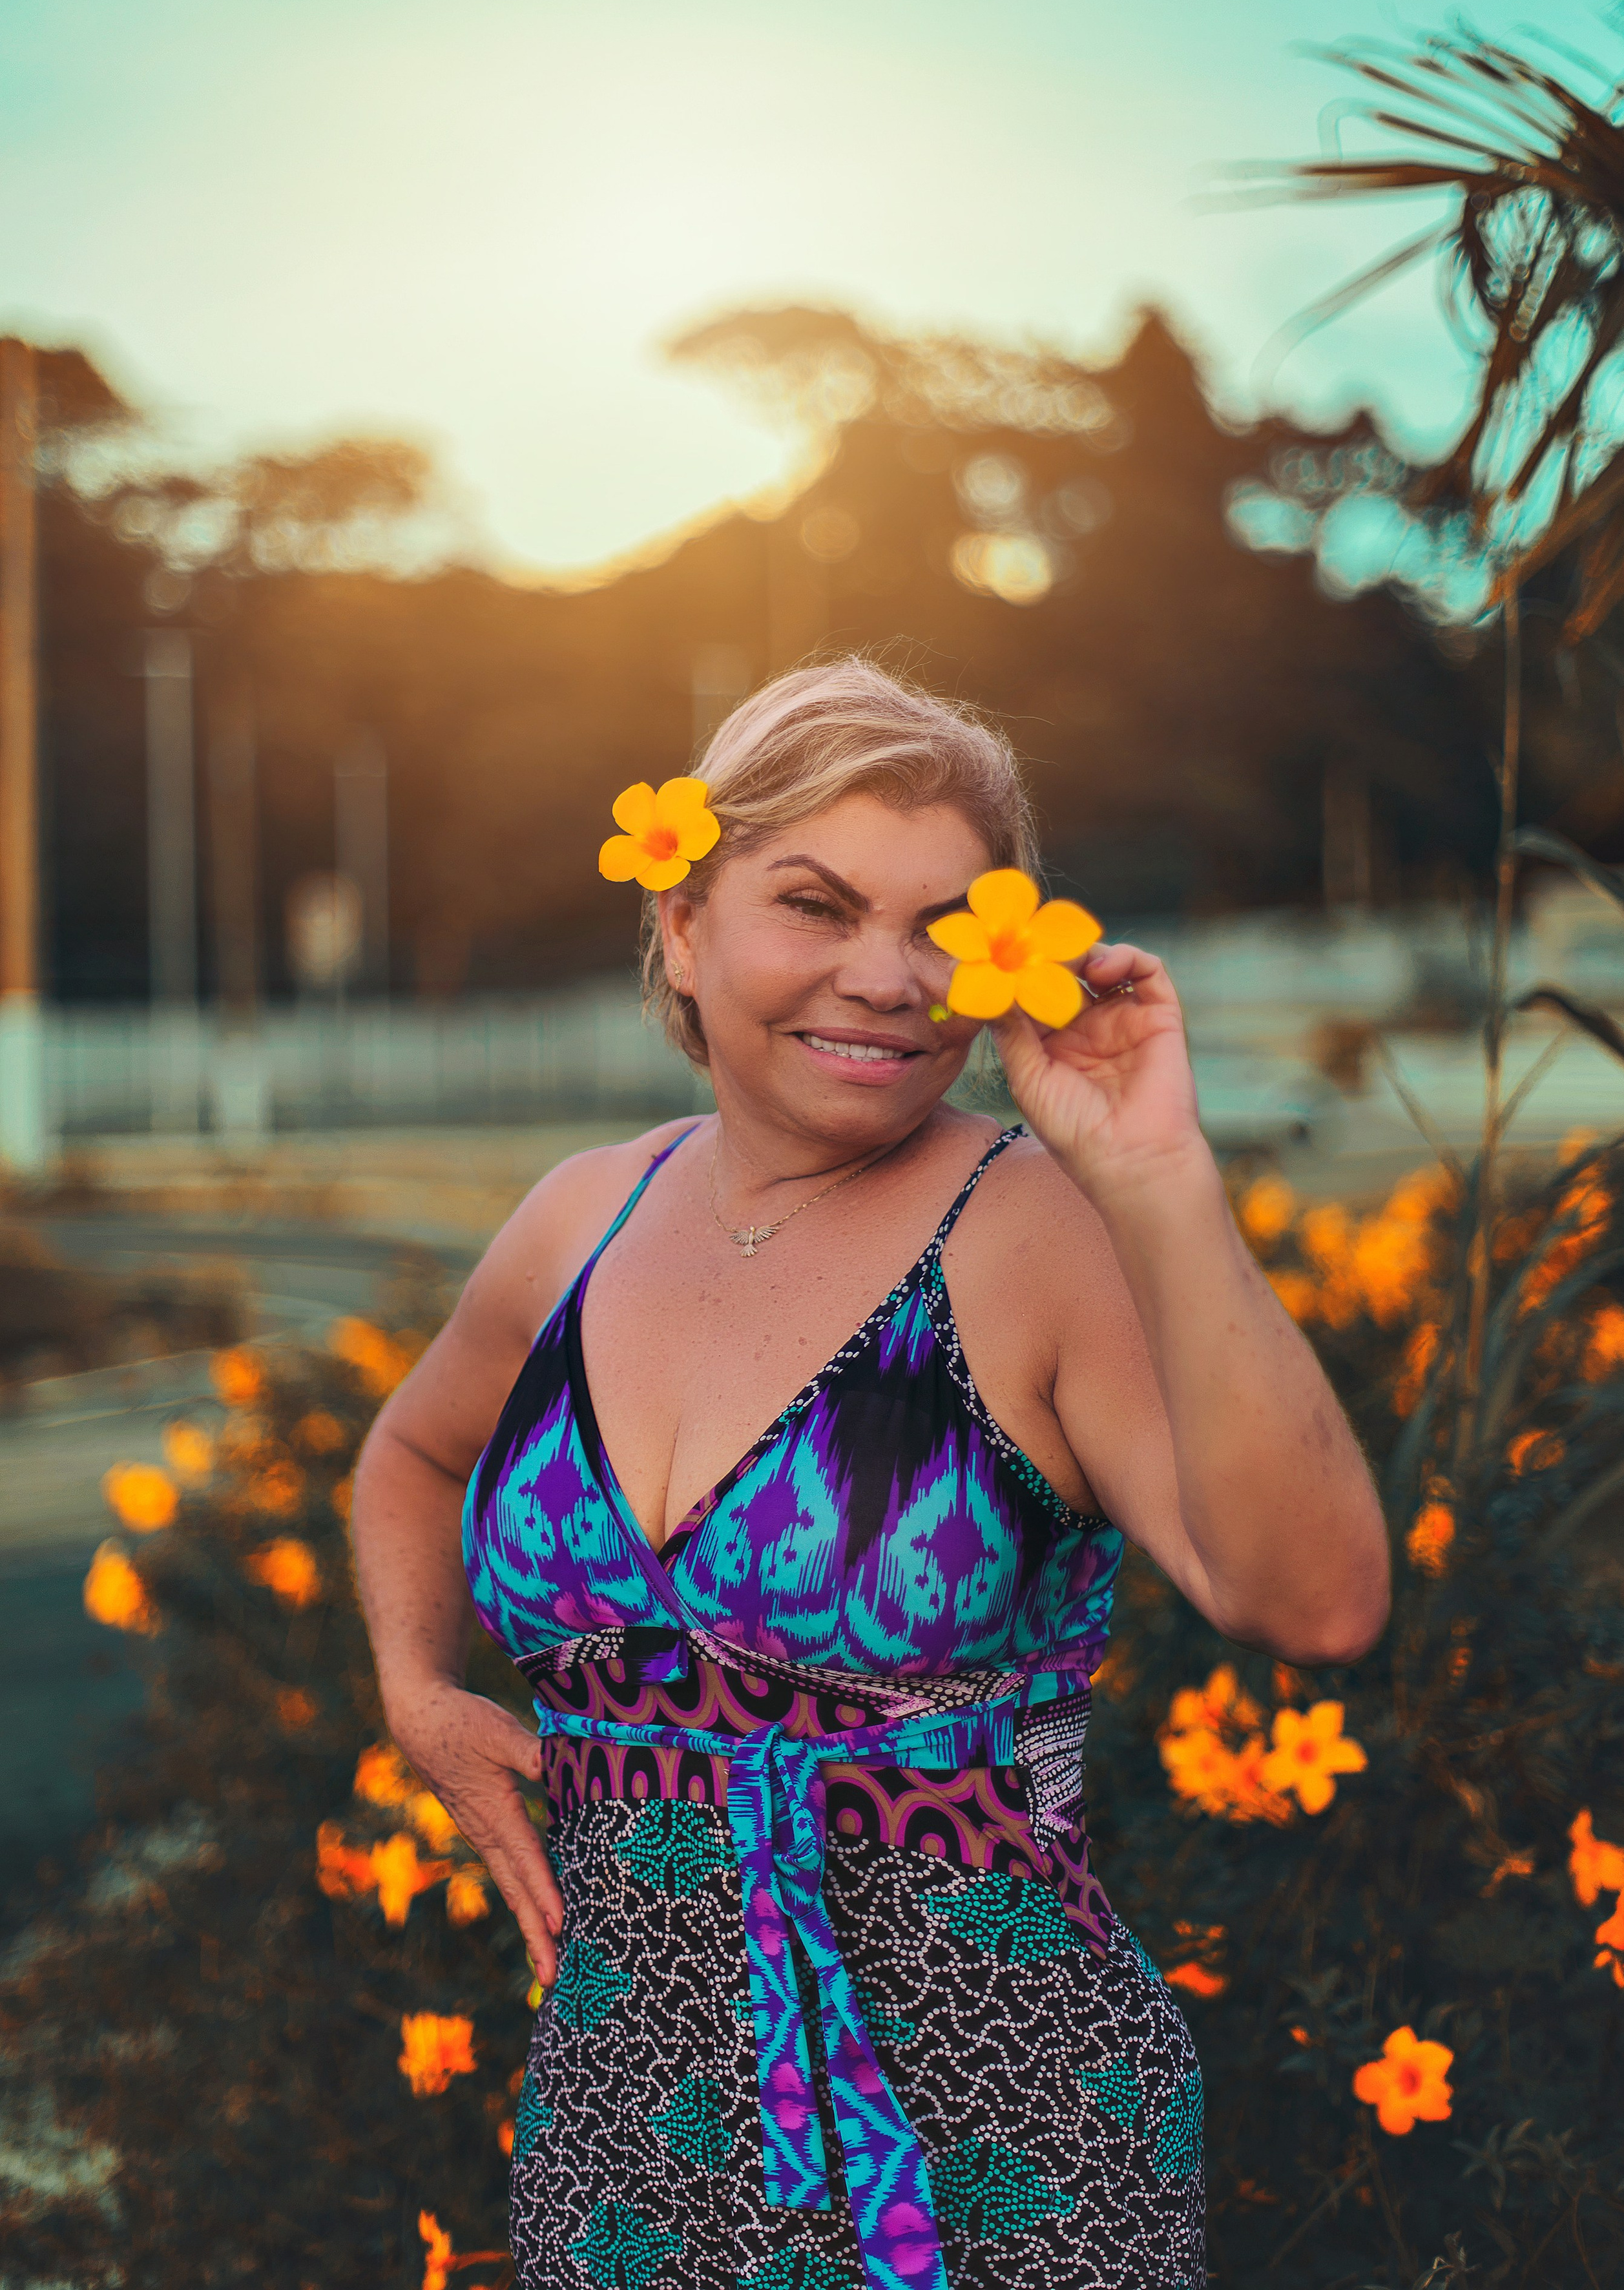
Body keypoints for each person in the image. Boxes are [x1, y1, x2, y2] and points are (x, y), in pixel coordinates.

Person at [352, 658, 1389, 2290]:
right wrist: (420, 1694)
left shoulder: (1034, 1233)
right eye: (815, 906)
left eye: (941, 927)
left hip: (1001, 2156)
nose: (887, 978)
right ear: (682, 924)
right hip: (618, 2147)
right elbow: (411, 1452)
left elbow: (1313, 1603)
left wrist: (1155, 1177)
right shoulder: (580, 1218)